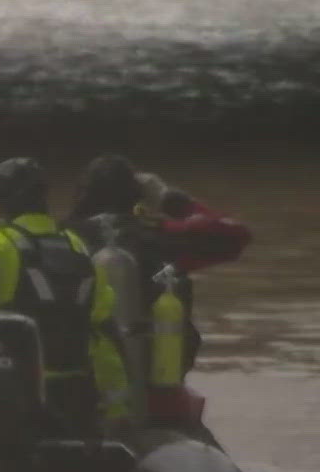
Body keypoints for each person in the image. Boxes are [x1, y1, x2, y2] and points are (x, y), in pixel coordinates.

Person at [0, 157, 131, 437]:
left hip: (12, 400)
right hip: (75, 397)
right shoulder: (79, 249)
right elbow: (105, 334)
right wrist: (118, 409)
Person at [64, 154, 251, 384]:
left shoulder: (59, 239)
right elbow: (236, 237)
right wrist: (171, 200)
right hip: (158, 378)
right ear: (137, 195)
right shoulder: (158, 235)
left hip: (80, 374)